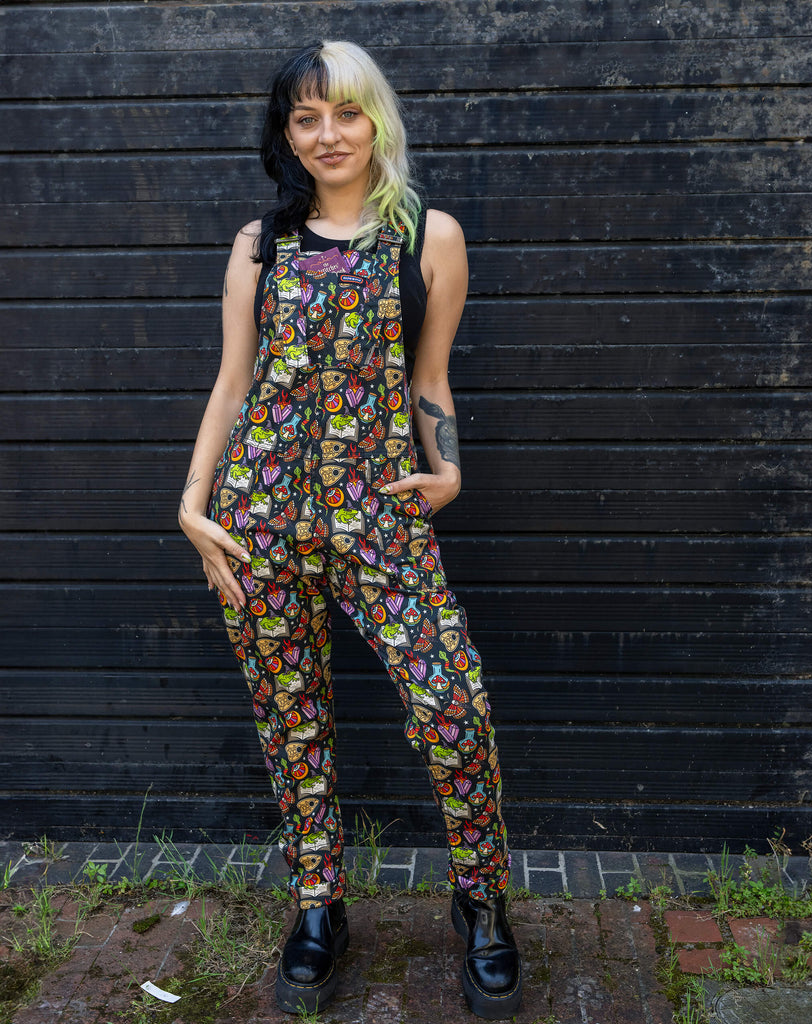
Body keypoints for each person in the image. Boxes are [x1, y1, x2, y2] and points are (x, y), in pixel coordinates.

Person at [179, 40, 521, 1019]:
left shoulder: (428, 236)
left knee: (455, 704)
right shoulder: (260, 245)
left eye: (346, 113)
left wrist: (449, 464)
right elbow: (233, 385)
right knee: (293, 724)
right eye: (305, 118)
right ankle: (320, 904)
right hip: (261, 518)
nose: (328, 134)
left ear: (377, 120)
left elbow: (428, 380)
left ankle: (481, 899)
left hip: (380, 517)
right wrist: (192, 503)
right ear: (285, 133)